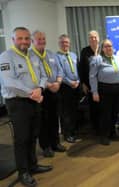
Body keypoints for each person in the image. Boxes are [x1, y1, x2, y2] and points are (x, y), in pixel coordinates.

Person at [0, 27, 52, 187]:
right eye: (20, 38)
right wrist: (33, 92)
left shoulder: (32, 55)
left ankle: (33, 165)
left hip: (34, 100)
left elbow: (43, 75)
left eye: (27, 38)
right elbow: (10, 82)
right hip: (17, 103)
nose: (24, 41)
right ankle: (23, 172)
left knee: (33, 135)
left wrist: (40, 88)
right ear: (13, 40)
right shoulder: (5, 57)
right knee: (22, 139)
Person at [30, 30, 66, 158]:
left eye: (43, 39)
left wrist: (58, 82)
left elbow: (60, 70)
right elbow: (33, 77)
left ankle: (55, 143)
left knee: (54, 119)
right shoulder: (29, 56)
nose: (42, 41)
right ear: (33, 41)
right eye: (39, 39)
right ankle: (46, 147)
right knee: (43, 122)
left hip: (55, 91)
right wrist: (49, 85)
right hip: (42, 93)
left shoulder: (51, 54)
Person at [89, 39, 119, 145]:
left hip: (118, 89)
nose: (109, 48)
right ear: (102, 48)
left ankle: (112, 132)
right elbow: (92, 76)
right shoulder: (97, 59)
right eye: (106, 46)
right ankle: (104, 135)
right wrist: (94, 92)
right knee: (105, 114)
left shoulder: (117, 58)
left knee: (115, 112)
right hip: (105, 89)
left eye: (110, 46)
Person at [56, 34, 80, 143]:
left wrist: (78, 81)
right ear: (59, 44)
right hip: (65, 88)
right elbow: (60, 73)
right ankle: (67, 134)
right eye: (62, 42)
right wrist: (71, 83)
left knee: (74, 111)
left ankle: (73, 132)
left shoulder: (74, 55)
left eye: (67, 42)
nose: (65, 44)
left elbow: (78, 70)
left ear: (69, 43)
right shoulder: (56, 57)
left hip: (76, 87)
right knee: (65, 113)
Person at [79, 30, 100, 135]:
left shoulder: (103, 49)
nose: (93, 39)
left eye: (95, 37)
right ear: (89, 39)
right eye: (91, 37)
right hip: (89, 85)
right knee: (93, 108)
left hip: (103, 85)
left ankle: (104, 128)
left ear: (98, 38)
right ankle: (96, 129)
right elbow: (81, 68)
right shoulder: (85, 51)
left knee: (104, 107)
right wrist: (83, 83)